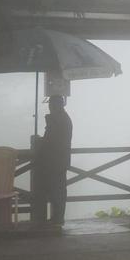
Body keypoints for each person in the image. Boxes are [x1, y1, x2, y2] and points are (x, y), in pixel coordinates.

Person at [41, 96, 73, 226]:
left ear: (56, 105)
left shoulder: (57, 119)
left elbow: (49, 138)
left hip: (56, 160)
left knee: (57, 190)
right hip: (61, 159)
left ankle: (58, 218)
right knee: (59, 189)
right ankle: (58, 217)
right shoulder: (64, 118)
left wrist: (49, 120)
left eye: (51, 105)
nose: (49, 107)